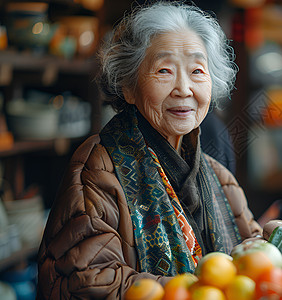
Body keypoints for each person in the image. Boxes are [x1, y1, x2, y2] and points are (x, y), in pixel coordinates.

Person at [36, 2, 262, 298]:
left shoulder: (219, 177)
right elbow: (87, 280)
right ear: (129, 86)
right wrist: (201, 289)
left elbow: (253, 252)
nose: (184, 88)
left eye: (197, 70)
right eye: (164, 70)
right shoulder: (97, 170)